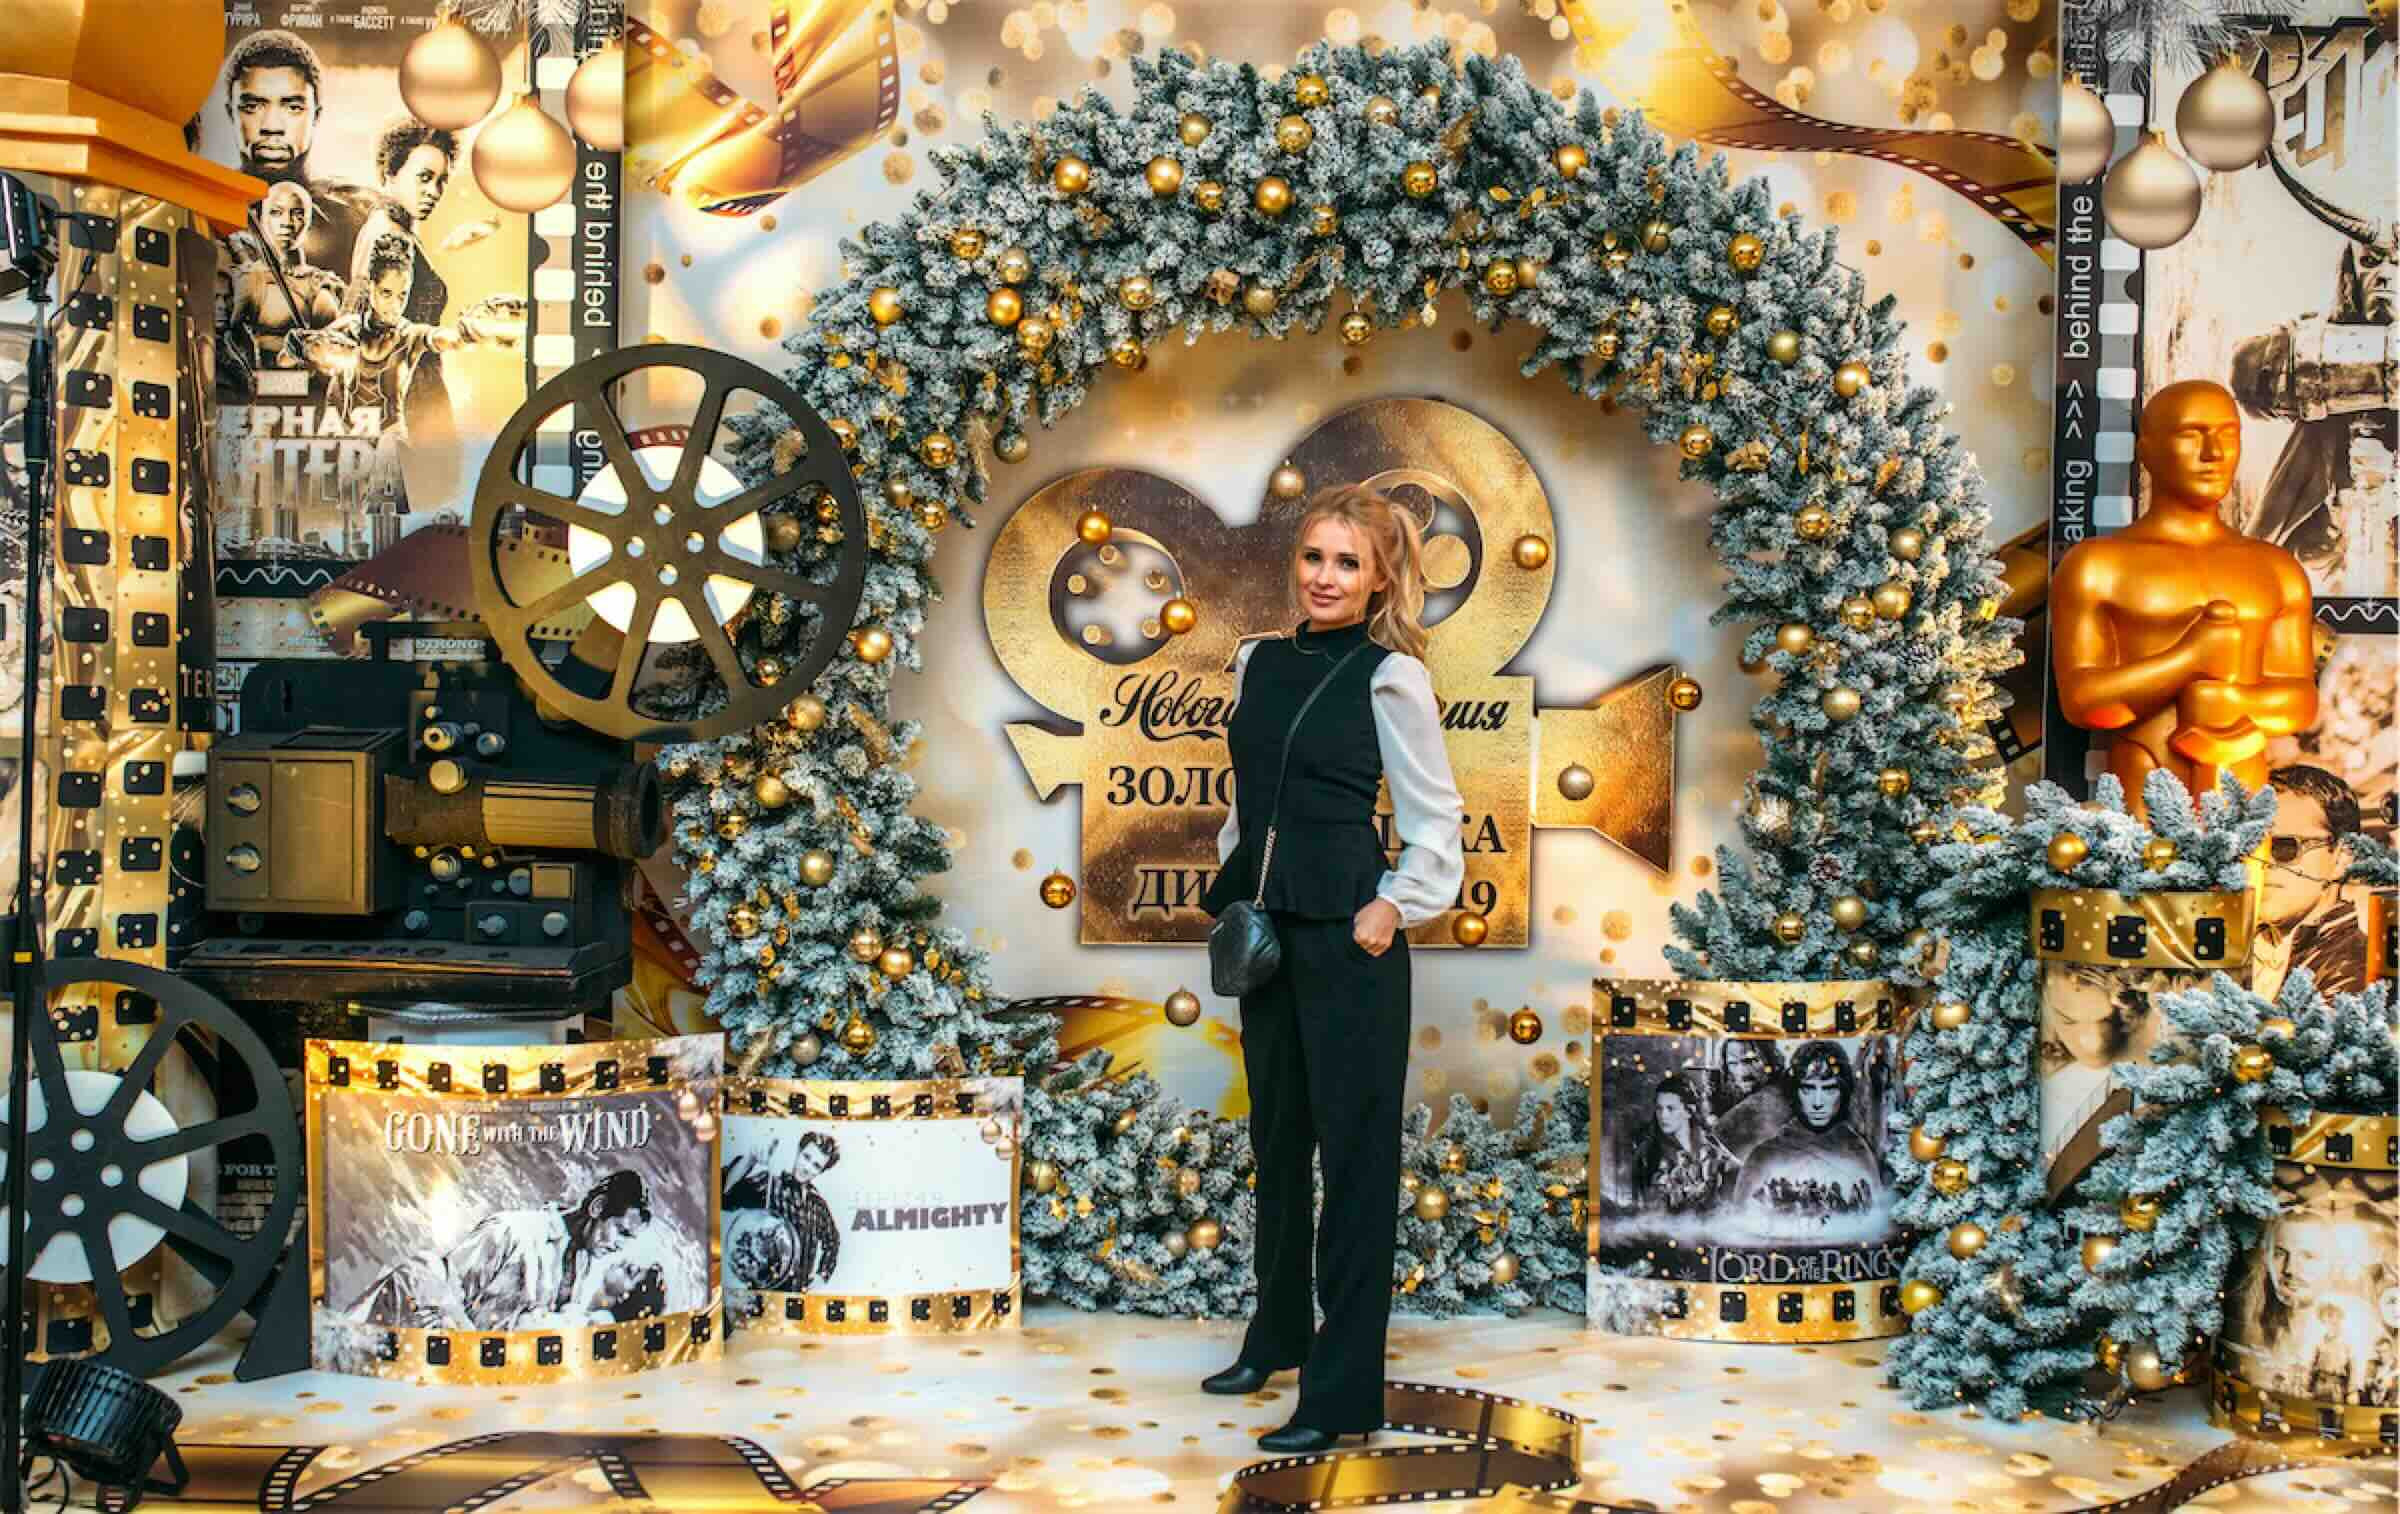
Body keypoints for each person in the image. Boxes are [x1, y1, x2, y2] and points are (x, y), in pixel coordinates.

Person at [1197, 484, 1466, 1454]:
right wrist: (1238, 886)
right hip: (1269, 932)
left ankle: (1342, 1390)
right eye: (1314, 556)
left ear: (1381, 578)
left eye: (1348, 562)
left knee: (1354, 1162)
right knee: (1277, 1140)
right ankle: (1276, 1333)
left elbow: (1436, 814)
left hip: (1352, 939)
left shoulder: (1392, 676)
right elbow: (1247, 803)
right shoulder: (1259, 661)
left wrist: (1393, 908)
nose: (1325, 576)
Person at [2051, 379, 2318, 819]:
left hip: (2242, 788)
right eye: (2191, 434)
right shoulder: (2098, 565)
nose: (2213, 453)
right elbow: (2083, 702)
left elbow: (2299, 701)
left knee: (2243, 865)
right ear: (2147, 450)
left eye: (2228, 435)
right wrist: (2188, 660)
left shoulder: (2276, 569)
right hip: (2143, 786)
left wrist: (2236, 702)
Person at [346, 1170, 657, 1332]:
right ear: (597, 1207)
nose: (621, 1244)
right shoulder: (513, 1230)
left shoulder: (585, 1265)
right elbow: (441, 1291)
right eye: (622, 1231)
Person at [2252, 764, 2370, 1000]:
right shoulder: (2237, 945)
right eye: (2253, 846)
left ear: (2342, 858)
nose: (2262, 863)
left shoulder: (2356, 974)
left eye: (2284, 846)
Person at [1734, 1042, 1883, 1221]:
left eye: (1829, 1089)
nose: (1817, 1102)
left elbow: (1875, 1220)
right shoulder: (1764, 1156)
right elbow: (1740, 1221)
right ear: (1794, 1092)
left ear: (1843, 1093)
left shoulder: (1858, 1153)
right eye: (1808, 1089)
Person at [219, 180, 345, 389]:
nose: (287, 223)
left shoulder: (321, 284)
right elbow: (224, 339)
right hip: (249, 390)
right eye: (276, 213)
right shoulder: (247, 277)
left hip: (305, 392)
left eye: (297, 214)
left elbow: (332, 358)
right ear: (262, 218)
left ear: (308, 221)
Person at [723, 1130, 842, 1292]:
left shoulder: (818, 1205)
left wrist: (822, 1275)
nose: (807, 1168)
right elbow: (726, 1197)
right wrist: (750, 1159)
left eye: (816, 1166)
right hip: (764, 1296)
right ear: (798, 1152)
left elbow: (833, 1241)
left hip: (798, 1297)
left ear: (821, 1171)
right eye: (806, 1157)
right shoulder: (771, 1184)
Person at [1630, 1072, 1738, 1214]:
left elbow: (1736, 1171)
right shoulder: (1647, 1153)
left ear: (1689, 1111)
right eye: (1659, 1108)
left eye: (1670, 1108)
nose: (1663, 1116)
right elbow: (1641, 1205)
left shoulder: (1710, 1146)